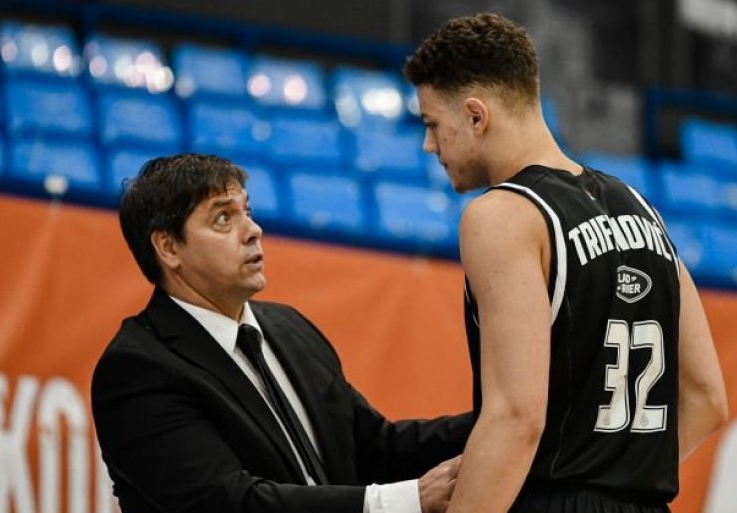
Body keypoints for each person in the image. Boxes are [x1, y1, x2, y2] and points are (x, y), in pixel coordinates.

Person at [404, 13, 728, 513]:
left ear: (475, 116)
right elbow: (708, 397)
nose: (430, 145)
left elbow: (516, 418)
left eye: (432, 125)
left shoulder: (503, 216)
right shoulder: (643, 209)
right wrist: (618, 479)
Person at [91, 154, 473, 513]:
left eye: (247, 211)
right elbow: (230, 502)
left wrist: (494, 422)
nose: (253, 230)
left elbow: (374, 448)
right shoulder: (136, 369)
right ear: (168, 247)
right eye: (223, 218)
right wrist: (403, 501)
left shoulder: (289, 327)